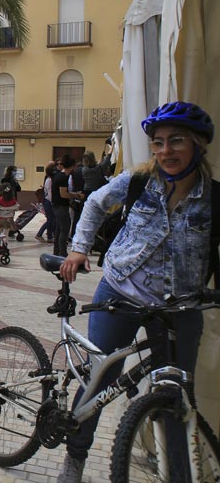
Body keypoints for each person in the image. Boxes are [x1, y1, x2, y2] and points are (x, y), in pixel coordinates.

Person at [56, 101, 216, 483]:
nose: (165, 151)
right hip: (121, 294)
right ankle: (75, 458)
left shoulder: (214, 199)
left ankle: (177, 474)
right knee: (101, 378)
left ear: (196, 146)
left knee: (175, 397)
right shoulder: (138, 180)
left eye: (176, 141)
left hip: (181, 308)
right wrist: (79, 248)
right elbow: (95, 204)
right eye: (158, 143)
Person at [51, 155, 83, 257]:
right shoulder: (63, 177)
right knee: (64, 230)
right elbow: (63, 194)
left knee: (59, 230)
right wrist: (76, 195)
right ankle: (62, 252)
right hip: (61, 206)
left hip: (57, 206)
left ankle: (56, 251)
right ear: (72, 166)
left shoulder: (58, 175)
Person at [35, 161, 58, 243]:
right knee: (50, 220)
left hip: (48, 201)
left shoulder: (49, 179)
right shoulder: (50, 180)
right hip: (49, 201)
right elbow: (50, 192)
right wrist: (53, 203)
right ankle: (40, 234)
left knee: (52, 220)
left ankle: (49, 236)